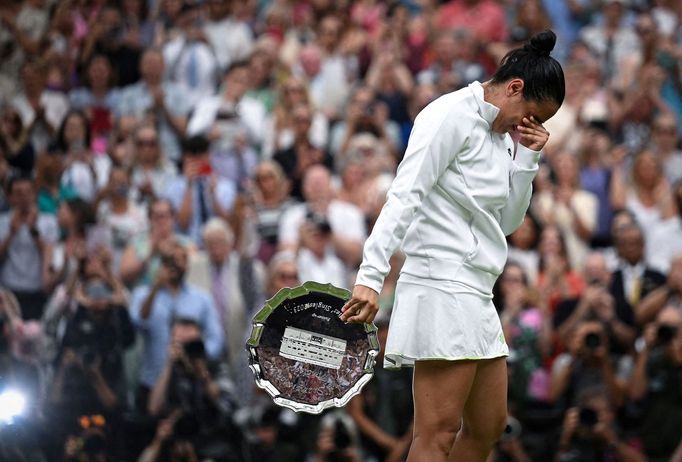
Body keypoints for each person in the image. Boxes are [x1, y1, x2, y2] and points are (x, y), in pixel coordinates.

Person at [341, 30, 565, 461]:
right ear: (515, 88)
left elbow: (509, 222)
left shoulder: (505, 139)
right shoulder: (447, 115)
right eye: (532, 115)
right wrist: (370, 276)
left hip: (478, 293)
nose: (529, 126)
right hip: (441, 284)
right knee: (437, 434)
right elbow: (404, 195)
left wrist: (528, 160)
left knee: (488, 427)